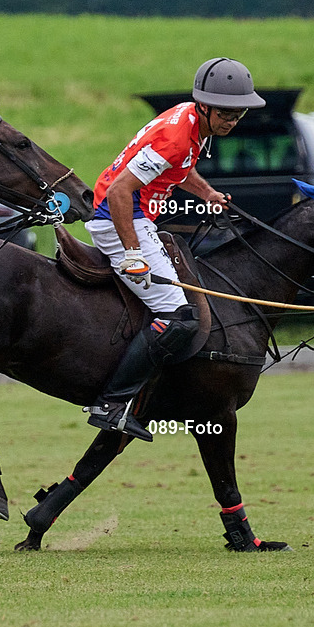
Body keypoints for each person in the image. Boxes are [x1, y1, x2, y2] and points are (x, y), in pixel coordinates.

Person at [83, 57, 266, 439]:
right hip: (120, 217)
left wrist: (208, 193)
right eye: (225, 113)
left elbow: (178, 169)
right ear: (204, 105)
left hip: (135, 216)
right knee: (179, 315)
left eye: (239, 113)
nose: (232, 121)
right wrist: (132, 253)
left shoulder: (188, 121)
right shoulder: (178, 134)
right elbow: (120, 191)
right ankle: (111, 403)